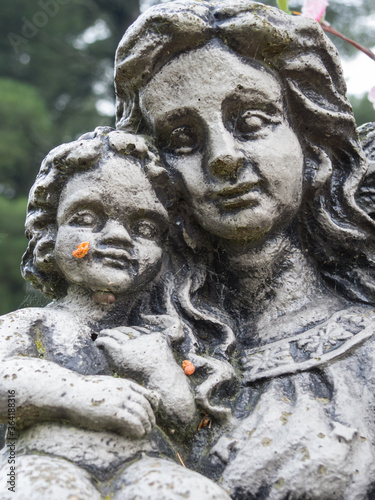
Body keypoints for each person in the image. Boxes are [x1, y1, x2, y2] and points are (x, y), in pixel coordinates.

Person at [114, 1, 375, 498]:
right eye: (182, 139)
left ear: (311, 141)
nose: (224, 157)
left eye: (251, 121)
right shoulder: (136, 350)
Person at [0, 127, 232, 499]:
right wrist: (76, 394)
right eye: (87, 218)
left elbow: (184, 424)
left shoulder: (157, 336)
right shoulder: (35, 325)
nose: (119, 237)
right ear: (48, 234)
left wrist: (159, 368)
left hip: (145, 466)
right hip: (43, 459)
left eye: (143, 227)